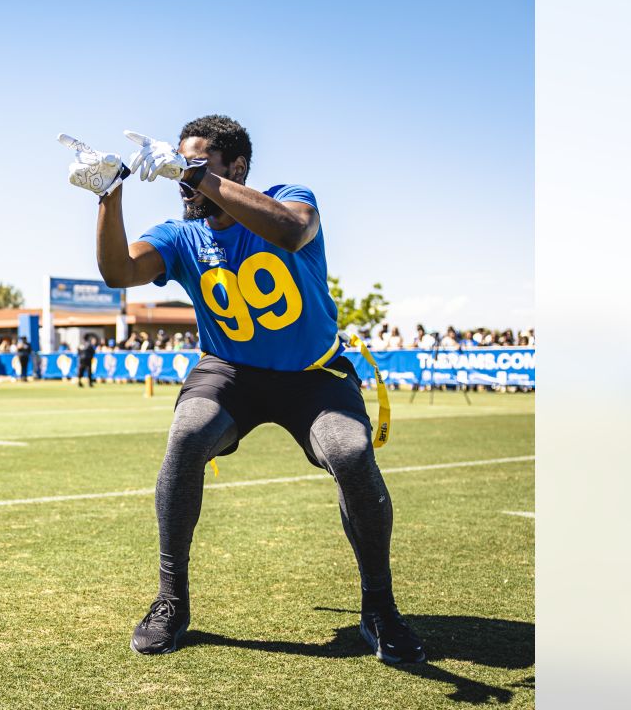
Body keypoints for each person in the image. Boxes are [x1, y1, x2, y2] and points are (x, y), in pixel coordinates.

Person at [63, 114, 422, 662]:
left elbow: (293, 230)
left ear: (238, 168)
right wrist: (109, 196)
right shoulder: (181, 233)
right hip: (229, 372)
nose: (183, 178)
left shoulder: (287, 199)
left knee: (350, 453)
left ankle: (379, 607)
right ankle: (171, 599)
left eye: (197, 165)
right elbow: (119, 272)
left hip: (313, 374)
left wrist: (200, 176)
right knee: (186, 438)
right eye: (179, 164)